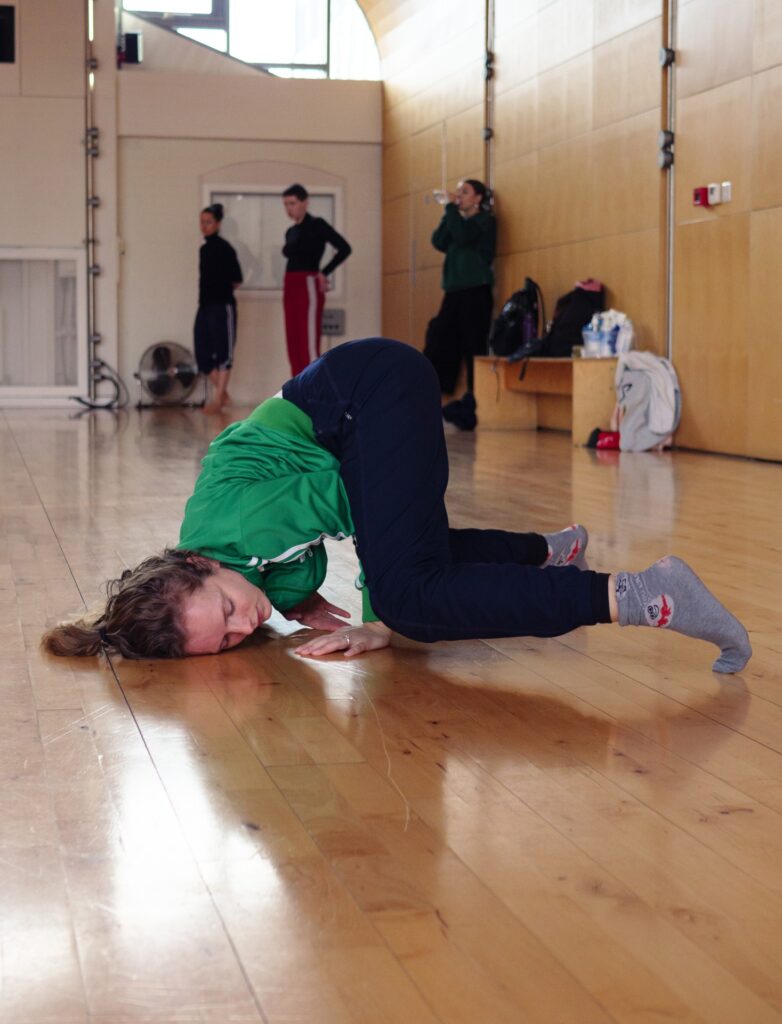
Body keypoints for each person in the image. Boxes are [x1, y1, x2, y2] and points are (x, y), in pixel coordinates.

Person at [42, 338, 751, 674]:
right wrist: (298, 603)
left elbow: (356, 505)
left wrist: (379, 617)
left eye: (227, 610)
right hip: (360, 407)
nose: (244, 623)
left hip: (369, 393)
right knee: (408, 558)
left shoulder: (238, 529)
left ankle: (643, 596)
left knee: (410, 599)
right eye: (227, 639)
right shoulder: (239, 567)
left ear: (195, 563)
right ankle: (549, 550)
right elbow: (354, 536)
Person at [424, 179, 497, 430]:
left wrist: (450, 209)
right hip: (453, 292)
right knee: (439, 341)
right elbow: (438, 240)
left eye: (465, 192)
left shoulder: (484, 221)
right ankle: (437, 400)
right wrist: (450, 212)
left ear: (478, 198)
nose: (459, 196)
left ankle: (476, 404)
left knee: (472, 346)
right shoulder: (456, 220)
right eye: (459, 192)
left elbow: (465, 237)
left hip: (475, 291)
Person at [282, 184, 352, 377]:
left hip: (308, 283)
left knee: (308, 341)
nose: (289, 208)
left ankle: (315, 389)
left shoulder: (317, 224)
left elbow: (345, 248)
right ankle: (297, 390)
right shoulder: (290, 231)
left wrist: (324, 272)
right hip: (290, 284)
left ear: (305, 203)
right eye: (286, 204)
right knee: (293, 341)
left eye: (293, 203)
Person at [194, 203, 243, 414]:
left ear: (218, 224)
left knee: (224, 353)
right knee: (202, 355)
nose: (204, 226)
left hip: (222, 306)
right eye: (202, 222)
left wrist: (221, 291)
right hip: (204, 306)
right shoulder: (204, 249)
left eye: (209, 222)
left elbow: (237, 279)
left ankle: (218, 399)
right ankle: (224, 394)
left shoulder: (225, 248)